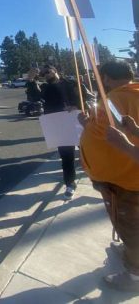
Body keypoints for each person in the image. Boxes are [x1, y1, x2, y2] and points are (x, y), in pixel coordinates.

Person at [78, 60, 139, 292]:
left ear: (104, 77)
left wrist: (85, 124)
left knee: (130, 227)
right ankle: (132, 254)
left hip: (124, 180)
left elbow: (103, 132)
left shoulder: (112, 100)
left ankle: (135, 275)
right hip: (127, 177)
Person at [40, 64, 80, 200]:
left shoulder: (71, 83)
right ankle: (70, 184)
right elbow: (34, 97)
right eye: (43, 73)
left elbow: (85, 96)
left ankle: (99, 177)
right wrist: (31, 81)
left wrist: (77, 105)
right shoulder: (45, 88)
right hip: (59, 125)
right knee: (66, 156)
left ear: (55, 71)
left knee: (87, 151)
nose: (45, 74)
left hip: (78, 121)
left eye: (48, 71)